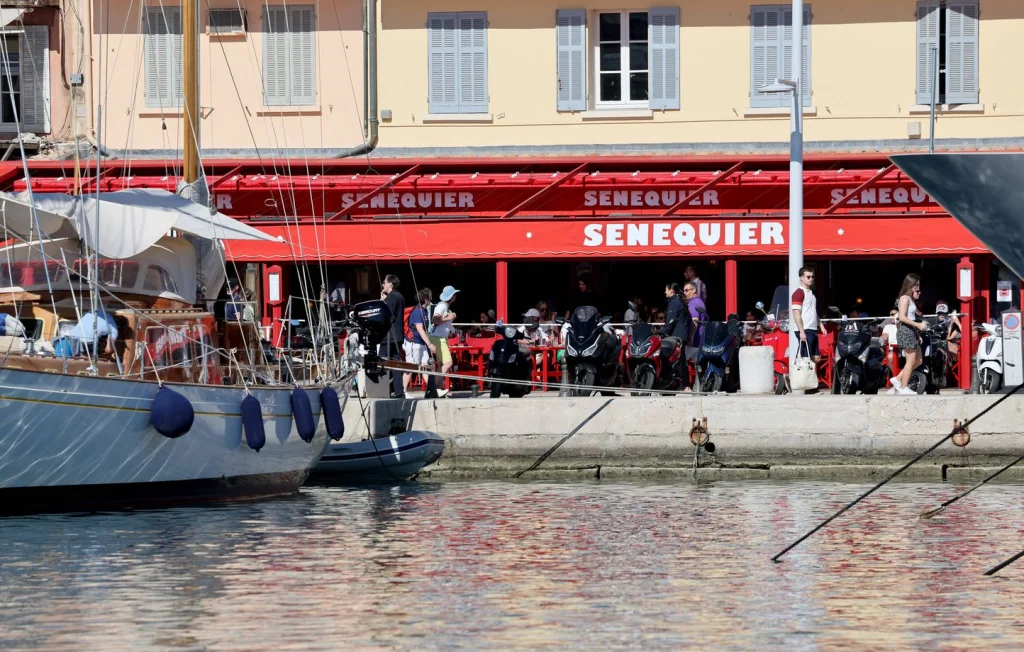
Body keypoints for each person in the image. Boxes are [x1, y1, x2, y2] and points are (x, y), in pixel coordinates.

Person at [889, 274, 928, 395]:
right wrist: (918, 325)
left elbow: (910, 317)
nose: (918, 288)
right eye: (916, 285)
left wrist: (917, 334)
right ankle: (904, 387)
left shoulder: (910, 299)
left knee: (919, 360)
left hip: (912, 331)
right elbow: (901, 317)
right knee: (910, 361)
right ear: (910, 285)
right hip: (906, 331)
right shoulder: (904, 298)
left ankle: (897, 379)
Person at [791, 266, 826, 363]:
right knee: (805, 358)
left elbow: (813, 311)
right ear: (801, 277)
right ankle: (796, 376)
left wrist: (821, 325)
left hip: (812, 328)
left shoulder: (810, 293)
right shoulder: (798, 293)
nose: (811, 279)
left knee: (816, 358)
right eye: (808, 277)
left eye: (812, 277)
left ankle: (806, 376)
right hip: (805, 328)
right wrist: (802, 332)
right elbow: (796, 313)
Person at [403, 288, 436, 392]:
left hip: (421, 344)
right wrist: (430, 344)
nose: (431, 298)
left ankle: (432, 389)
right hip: (414, 343)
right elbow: (420, 330)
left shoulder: (425, 311)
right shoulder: (418, 312)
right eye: (430, 297)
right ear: (426, 299)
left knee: (426, 366)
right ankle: (402, 391)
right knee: (410, 368)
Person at [430, 285, 459, 398]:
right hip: (438, 338)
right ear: (451, 297)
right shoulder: (442, 306)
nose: (455, 296)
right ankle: (433, 388)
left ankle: (438, 388)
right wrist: (449, 317)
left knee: (442, 364)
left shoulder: (445, 307)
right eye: (454, 294)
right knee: (448, 363)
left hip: (440, 338)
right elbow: (434, 319)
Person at [379, 274, 406, 398]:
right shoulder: (399, 296)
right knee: (395, 363)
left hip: (389, 336)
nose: (383, 284)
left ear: (390, 284)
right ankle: (398, 391)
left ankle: (382, 389)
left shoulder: (392, 297)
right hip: (397, 335)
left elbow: (386, 315)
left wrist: (382, 302)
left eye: (384, 282)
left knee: (381, 362)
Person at [660, 282, 691, 389]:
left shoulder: (674, 302)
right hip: (682, 335)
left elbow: (671, 321)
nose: (665, 292)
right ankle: (681, 384)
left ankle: (685, 385)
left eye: (666, 290)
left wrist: (663, 333)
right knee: (681, 360)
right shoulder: (680, 301)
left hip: (677, 337)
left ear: (671, 291)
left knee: (679, 361)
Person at [683, 282, 706, 349]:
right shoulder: (699, 301)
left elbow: (694, 321)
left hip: (695, 341)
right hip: (700, 339)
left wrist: (691, 337)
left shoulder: (694, 303)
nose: (684, 293)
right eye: (684, 291)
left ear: (694, 290)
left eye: (686, 290)